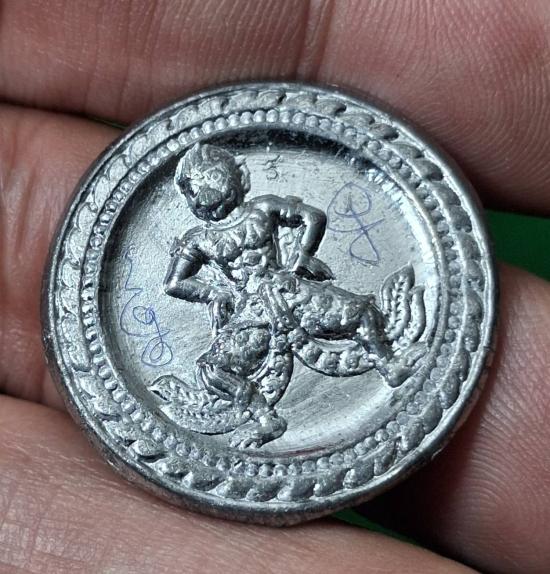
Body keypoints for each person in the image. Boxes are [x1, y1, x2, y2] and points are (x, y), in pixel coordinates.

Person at [2, 2, 550, 572]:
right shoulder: (247, 217)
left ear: (209, 191)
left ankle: (297, 400)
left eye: (207, 185)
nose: (209, 194)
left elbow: (185, 277)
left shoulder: (214, 234)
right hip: (277, 301)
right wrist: (283, 262)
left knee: (248, 357)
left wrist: (237, 284)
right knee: (347, 319)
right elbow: (299, 220)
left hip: (265, 307)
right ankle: (357, 376)